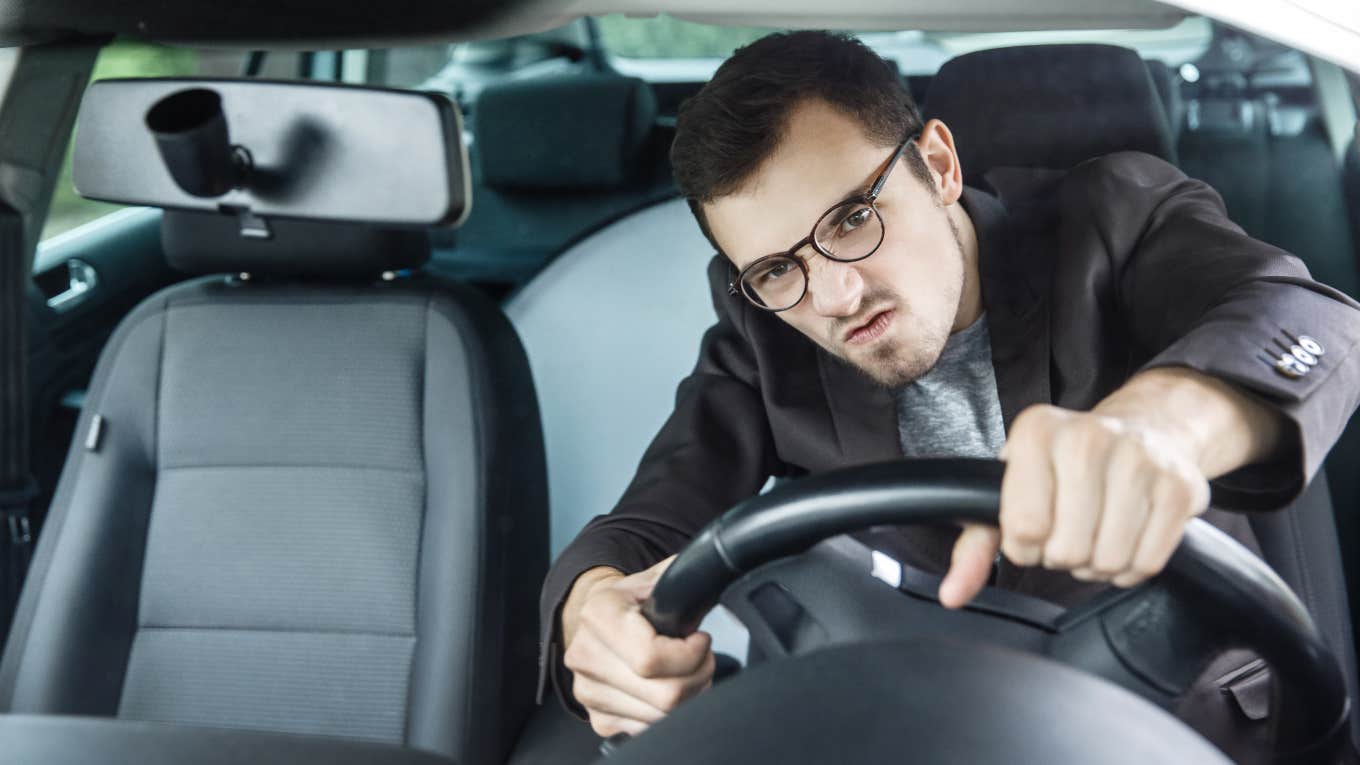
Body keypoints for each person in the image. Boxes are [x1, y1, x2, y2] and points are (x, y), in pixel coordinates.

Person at [536, 30, 1360, 755]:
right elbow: (644, 527)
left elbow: (1307, 318)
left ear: (937, 164)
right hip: (913, 730)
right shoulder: (766, 333)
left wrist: (1160, 427)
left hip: (1170, 725)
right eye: (778, 269)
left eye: (853, 219)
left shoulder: (1112, 218)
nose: (834, 297)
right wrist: (592, 614)